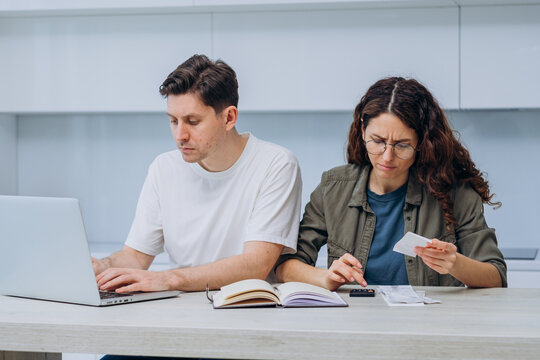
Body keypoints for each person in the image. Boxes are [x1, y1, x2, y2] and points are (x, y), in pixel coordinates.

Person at [93, 54, 302, 292]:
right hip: (183, 310)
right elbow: (136, 257)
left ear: (229, 118)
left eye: (192, 121)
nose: (180, 135)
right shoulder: (164, 168)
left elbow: (256, 265)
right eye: (173, 121)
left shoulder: (276, 164)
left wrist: (169, 279)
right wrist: (101, 265)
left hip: (248, 309)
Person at [276, 77, 507, 290]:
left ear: (422, 143)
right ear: (362, 130)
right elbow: (286, 266)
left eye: (402, 145)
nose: (387, 156)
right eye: (377, 141)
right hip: (353, 325)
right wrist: (326, 277)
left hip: (431, 327)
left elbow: (496, 276)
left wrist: (454, 263)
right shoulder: (333, 188)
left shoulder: (455, 193)